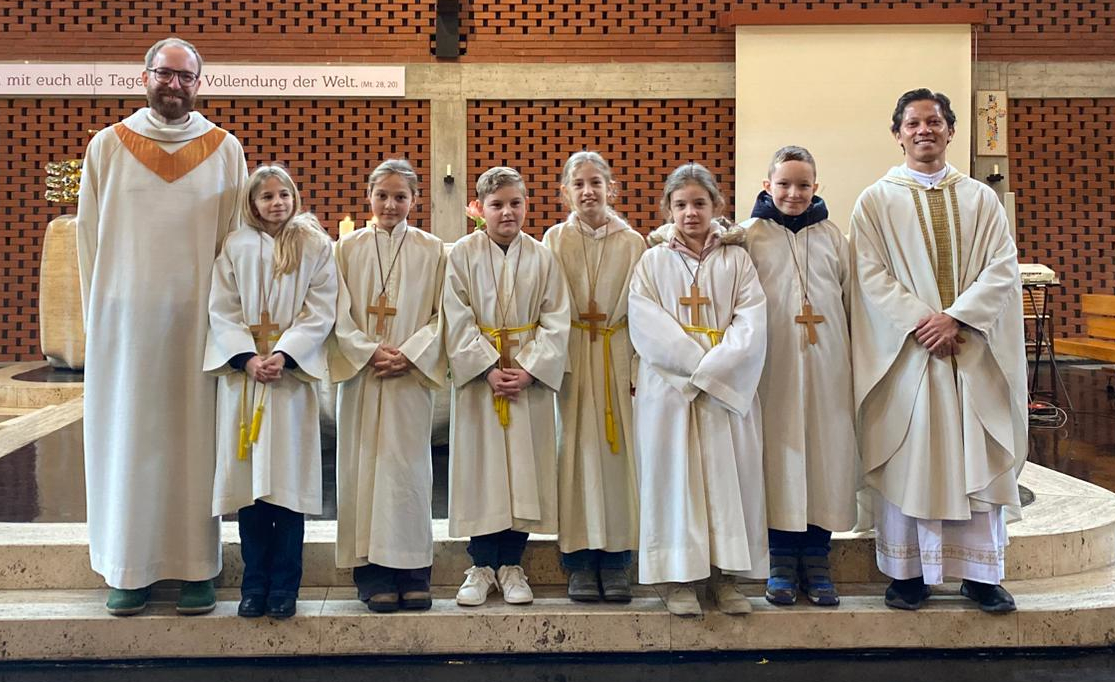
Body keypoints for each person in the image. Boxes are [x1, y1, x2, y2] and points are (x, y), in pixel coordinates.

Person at [76, 36, 247, 616]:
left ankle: (196, 567)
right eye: (164, 74)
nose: (174, 85)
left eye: (185, 76)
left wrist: (231, 326)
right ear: (144, 76)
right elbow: (89, 238)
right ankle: (128, 567)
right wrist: (99, 318)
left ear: (199, 84)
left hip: (199, 324)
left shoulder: (224, 148)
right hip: (127, 328)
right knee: (128, 438)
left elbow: (235, 243)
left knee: (195, 444)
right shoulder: (107, 145)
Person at [849, 88, 1027, 613]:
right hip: (910, 354)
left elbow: (1002, 266)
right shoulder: (875, 201)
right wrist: (923, 322)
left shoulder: (981, 198)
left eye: (934, 121)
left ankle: (980, 575)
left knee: (978, 455)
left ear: (950, 130)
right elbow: (868, 275)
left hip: (972, 350)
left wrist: (958, 318)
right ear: (897, 134)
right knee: (912, 457)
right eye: (913, 123)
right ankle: (908, 574)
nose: (924, 130)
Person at [630, 163, 768, 617]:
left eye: (699, 203)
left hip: (725, 388)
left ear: (716, 206)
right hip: (673, 389)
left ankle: (726, 578)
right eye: (681, 205)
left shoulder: (737, 260)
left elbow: (752, 321)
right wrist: (697, 369)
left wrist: (716, 372)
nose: (691, 212)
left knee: (729, 481)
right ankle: (678, 579)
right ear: (668, 209)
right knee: (675, 481)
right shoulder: (652, 261)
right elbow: (645, 322)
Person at [205, 164, 337, 619]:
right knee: (251, 491)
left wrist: (284, 354)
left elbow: (321, 308)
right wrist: (246, 357)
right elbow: (222, 309)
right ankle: (253, 584)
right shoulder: (235, 247)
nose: (277, 202)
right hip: (246, 382)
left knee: (287, 488)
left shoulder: (314, 244)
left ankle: (286, 586)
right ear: (252, 203)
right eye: (267, 196)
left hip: (288, 383)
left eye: (284, 194)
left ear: (294, 197)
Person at [443, 167, 571, 607]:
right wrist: (486, 368)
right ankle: (481, 566)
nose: (507, 212)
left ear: (526, 205)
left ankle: (512, 566)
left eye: (515, 203)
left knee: (523, 470)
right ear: (480, 208)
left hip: (524, 382)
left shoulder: (542, 257)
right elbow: (455, 316)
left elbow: (557, 319)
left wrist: (530, 369)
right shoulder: (462, 254)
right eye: (497, 205)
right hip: (483, 384)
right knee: (483, 471)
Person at [743, 146, 857, 607]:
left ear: (816, 187)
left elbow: (853, 303)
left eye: (803, 185)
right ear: (767, 185)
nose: (794, 193)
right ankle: (780, 561)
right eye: (784, 184)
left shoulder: (834, 239)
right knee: (777, 460)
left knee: (825, 459)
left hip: (828, 369)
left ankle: (817, 558)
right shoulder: (748, 237)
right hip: (773, 370)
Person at [330, 159, 447, 613]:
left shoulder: (433, 250)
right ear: (369, 196)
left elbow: (443, 314)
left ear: (415, 200)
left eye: (400, 196)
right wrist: (366, 351)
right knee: (363, 471)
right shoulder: (346, 248)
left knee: (408, 474)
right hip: (364, 375)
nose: (391, 205)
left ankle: (414, 573)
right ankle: (372, 574)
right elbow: (334, 311)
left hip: (408, 379)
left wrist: (411, 353)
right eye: (382, 195)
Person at [542, 151, 645, 603]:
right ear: (565, 192)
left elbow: (644, 308)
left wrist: (637, 367)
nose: (588, 192)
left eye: (596, 183)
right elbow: (545, 303)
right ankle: (579, 561)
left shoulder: (633, 242)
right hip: (571, 355)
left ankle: (618, 560)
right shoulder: (554, 239)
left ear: (611, 189)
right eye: (579, 184)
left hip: (616, 353)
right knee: (575, 455)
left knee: (620, 456)